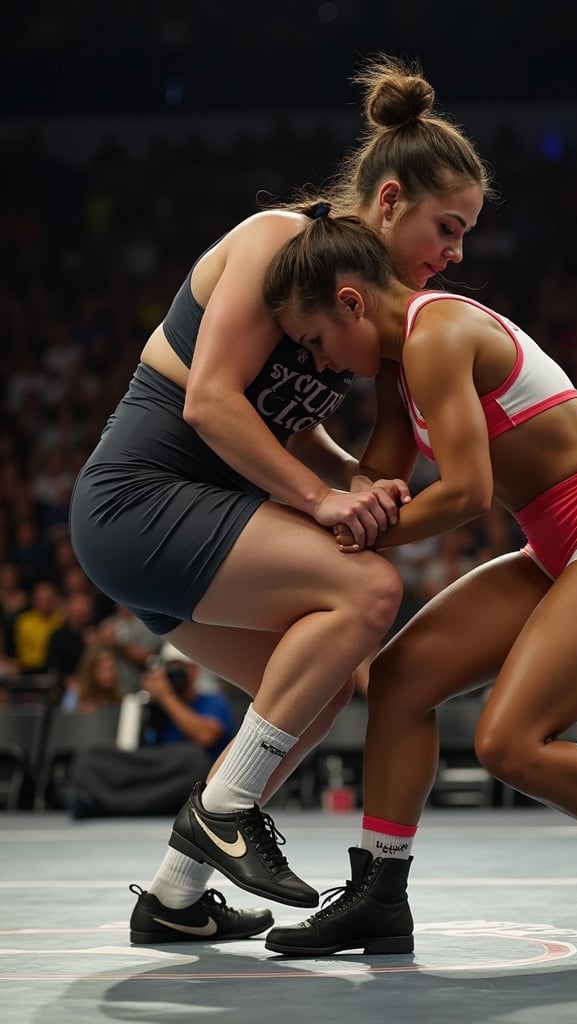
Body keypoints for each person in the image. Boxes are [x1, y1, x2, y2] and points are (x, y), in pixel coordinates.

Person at [68, 56, 490, 945]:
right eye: (446, 229)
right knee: (370, 593)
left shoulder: (365, 308)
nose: (454, 254)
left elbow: (288, 425)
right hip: (141, 499)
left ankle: (174, 898)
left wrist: (346, 479)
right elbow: (213, 401)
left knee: (317, 688)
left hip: (192, 524)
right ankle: (222, 815)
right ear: (388, 201)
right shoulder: (276, 242)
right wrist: (325, 502)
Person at [257, 213, 577, 956]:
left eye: (317, 343)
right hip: (557, 547)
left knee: (508, 743)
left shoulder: (437, 335)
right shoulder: (395, 363)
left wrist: (355, 529)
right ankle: (380, 894)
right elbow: (379, 485)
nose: (324, 365)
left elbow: (466, 495)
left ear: (351, 302)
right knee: (399, 680)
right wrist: (302, 459)